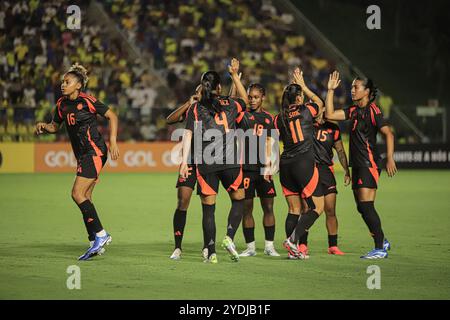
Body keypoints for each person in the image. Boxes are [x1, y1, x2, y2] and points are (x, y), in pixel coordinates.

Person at [35, 63, 120, 261]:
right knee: (85, 197)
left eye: (68, 82)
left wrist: (113, 141)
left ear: (78, 85)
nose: (63, 85)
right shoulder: (61, 104)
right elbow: (55, 126)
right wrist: (44, 127)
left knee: (77, 193)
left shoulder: (88, 101)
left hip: (95, 151)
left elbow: (112, 116)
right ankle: (94, 242)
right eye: (63, 82)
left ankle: (101, 235)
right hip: (82, 155)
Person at [325, 71, 397, 259]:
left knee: (366, 205)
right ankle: (383, 240)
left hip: (369, 164)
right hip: (357, 165)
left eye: (356, 87)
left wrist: (390, 158)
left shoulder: (373, 110)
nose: (352, 90)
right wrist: (330, 91)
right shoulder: (353, 111)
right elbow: (329, 113)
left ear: (367, 91)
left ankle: (380, 248)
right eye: (351, 87)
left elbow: (388, 133)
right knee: (361, 207)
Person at [182, 70, 246, 263]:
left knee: (208, 210)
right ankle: (229, 236)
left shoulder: (196, 108)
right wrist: (235, 76)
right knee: (239, 200)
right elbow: (244, 98)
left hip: (206, 163)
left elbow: (188, 135)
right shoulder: (231, 104)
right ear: (219, 86)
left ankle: (211, 253)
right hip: (230, 161)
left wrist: (184, 162)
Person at [228, 58, 279, 257]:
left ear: (263, 98)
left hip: (264, 169)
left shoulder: (269, 119)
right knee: (247, 208)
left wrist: (272, 166)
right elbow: (234, 100)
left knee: (268, 207)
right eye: (250, 96)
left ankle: (269, 246)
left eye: (256, 97)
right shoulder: (242, 116)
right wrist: (234, 78)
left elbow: (272, 143)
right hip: (246, 168)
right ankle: (250, 247)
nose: (252, 100)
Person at [274, 68, 324, 259]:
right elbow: (319, 103)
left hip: (285, 164)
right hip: (303, 163)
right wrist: (304, 85)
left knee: (294, 209)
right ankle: (293, 240)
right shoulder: (306, 110)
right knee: (317, 207)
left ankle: (293, 251)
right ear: (299, 98)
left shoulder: (279, 117)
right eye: (301, 94)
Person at [297, 110, 351, 256]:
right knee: (308, 208)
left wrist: (347, 170)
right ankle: (302, 244)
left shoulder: (333, 128)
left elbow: (340, 150)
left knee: (330, 210)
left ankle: (333, 246)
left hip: (326, 172)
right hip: (309, 170)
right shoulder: (306, 125)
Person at [165, 86, 203, 260]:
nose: (199, 94)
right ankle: (177, 247)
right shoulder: (191, 109)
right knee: (183, 200)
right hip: (189, 161)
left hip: (208, 162)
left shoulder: (215, 108)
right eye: (197, 91)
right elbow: (170, 120)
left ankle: (207, 246)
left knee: (208, 204)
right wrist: (188, 103)